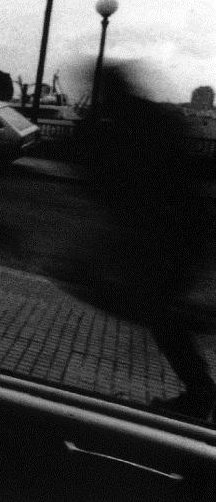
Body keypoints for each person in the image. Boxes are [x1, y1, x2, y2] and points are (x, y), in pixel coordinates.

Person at [67, 64, 215, 420]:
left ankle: (201, 391)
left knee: (161, 313)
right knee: (162, 312)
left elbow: (108, 178)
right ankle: (199, 389)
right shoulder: (151, 117)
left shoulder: (121, 123)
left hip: (162, 232)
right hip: (175, 228)